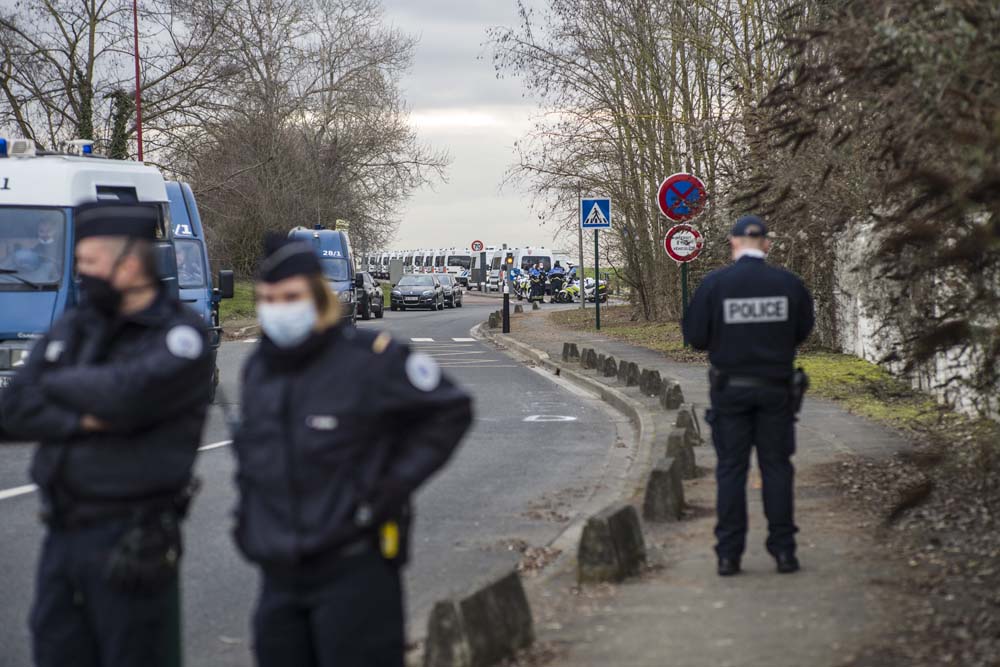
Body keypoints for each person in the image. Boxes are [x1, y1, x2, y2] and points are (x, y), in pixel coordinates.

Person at [232, 235, 473, 667]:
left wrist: (387, 488)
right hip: (279, 574)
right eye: (269, 299)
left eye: (290, 296)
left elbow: (450, 410)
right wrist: (246, 521)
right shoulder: (260, 369)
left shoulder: (368, 360)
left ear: (318, 296)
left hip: (352, 569)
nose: (278, 307)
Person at [0, 202, 214, 666]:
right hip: (62, 533)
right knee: (55, 650)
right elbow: (11, 409)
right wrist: (81, 418)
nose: (82, 275)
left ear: (131, 264)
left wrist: (55, 384)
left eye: (90, 265)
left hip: (131, 541)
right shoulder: (78, 325)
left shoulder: (180, 335)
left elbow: (127, 396)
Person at [682, 215, 814, 577]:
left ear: (734, 243)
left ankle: (728, 555)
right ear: (766, 244)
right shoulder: (788, 284)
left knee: (731, 471)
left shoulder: (715, 285)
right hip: (776, 390)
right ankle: (784, 551)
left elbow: (695, 336)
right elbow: (802, 330)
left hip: (731, 391)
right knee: (776, 469)